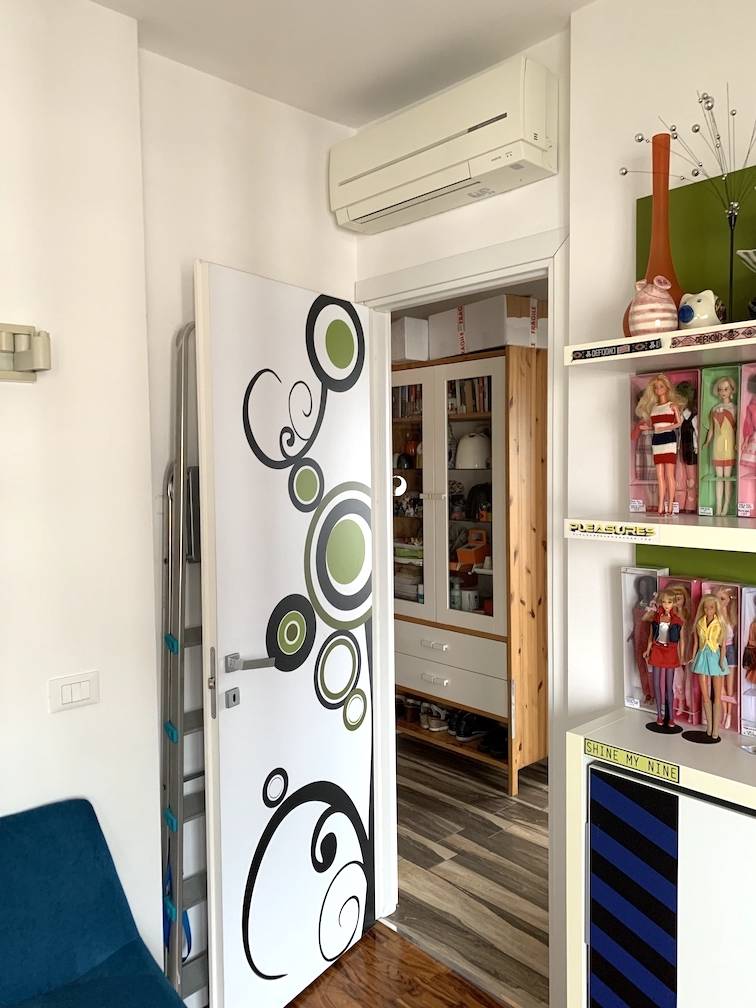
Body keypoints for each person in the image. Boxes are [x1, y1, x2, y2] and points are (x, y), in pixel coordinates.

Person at [688, 593, 729, 741]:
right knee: (705, 695)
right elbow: (696, 643)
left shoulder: (720, 624)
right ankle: (709, 726)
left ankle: (716, 728)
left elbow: (723, 646)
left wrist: (721, 661)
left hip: (715, 656)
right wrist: (693, 658)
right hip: (702, 657)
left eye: (711, 608)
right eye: (706, 608)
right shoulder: (699, 623)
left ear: (716, 608)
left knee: (717, 696)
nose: (708, 610)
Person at [643, 590, 683, 727]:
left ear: (673, 603)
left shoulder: (677, 620)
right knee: (656, 684)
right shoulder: (656, 618)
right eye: (664, 602)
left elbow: (680, 641)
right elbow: (651, 636)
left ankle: (671, 717)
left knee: (668, 686)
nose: (666, 605)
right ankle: (659, 715)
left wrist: (681, 655)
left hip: (670, 652)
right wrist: (648, 650)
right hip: (657, 651)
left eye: (669, 602)